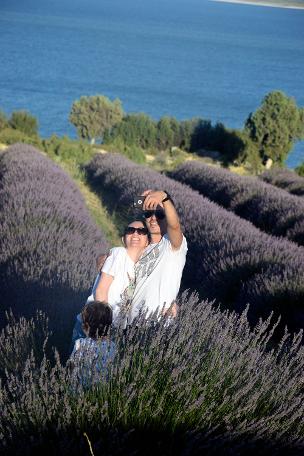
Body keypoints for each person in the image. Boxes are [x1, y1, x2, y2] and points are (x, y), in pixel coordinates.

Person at [125, 189, 187, 324]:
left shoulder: (173, 245)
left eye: (159, 214)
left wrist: (164, 196)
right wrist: (142, 199)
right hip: (130, 323)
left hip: (157, 325)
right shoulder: (140, 246)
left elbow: (175, 225)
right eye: (148, 214)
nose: (153, 218)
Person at [69, 300, 115, 387]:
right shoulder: (112, 346)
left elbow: (72, 365)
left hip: (80, 387)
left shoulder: (80, 344)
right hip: (102, 389)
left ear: (85, 327)